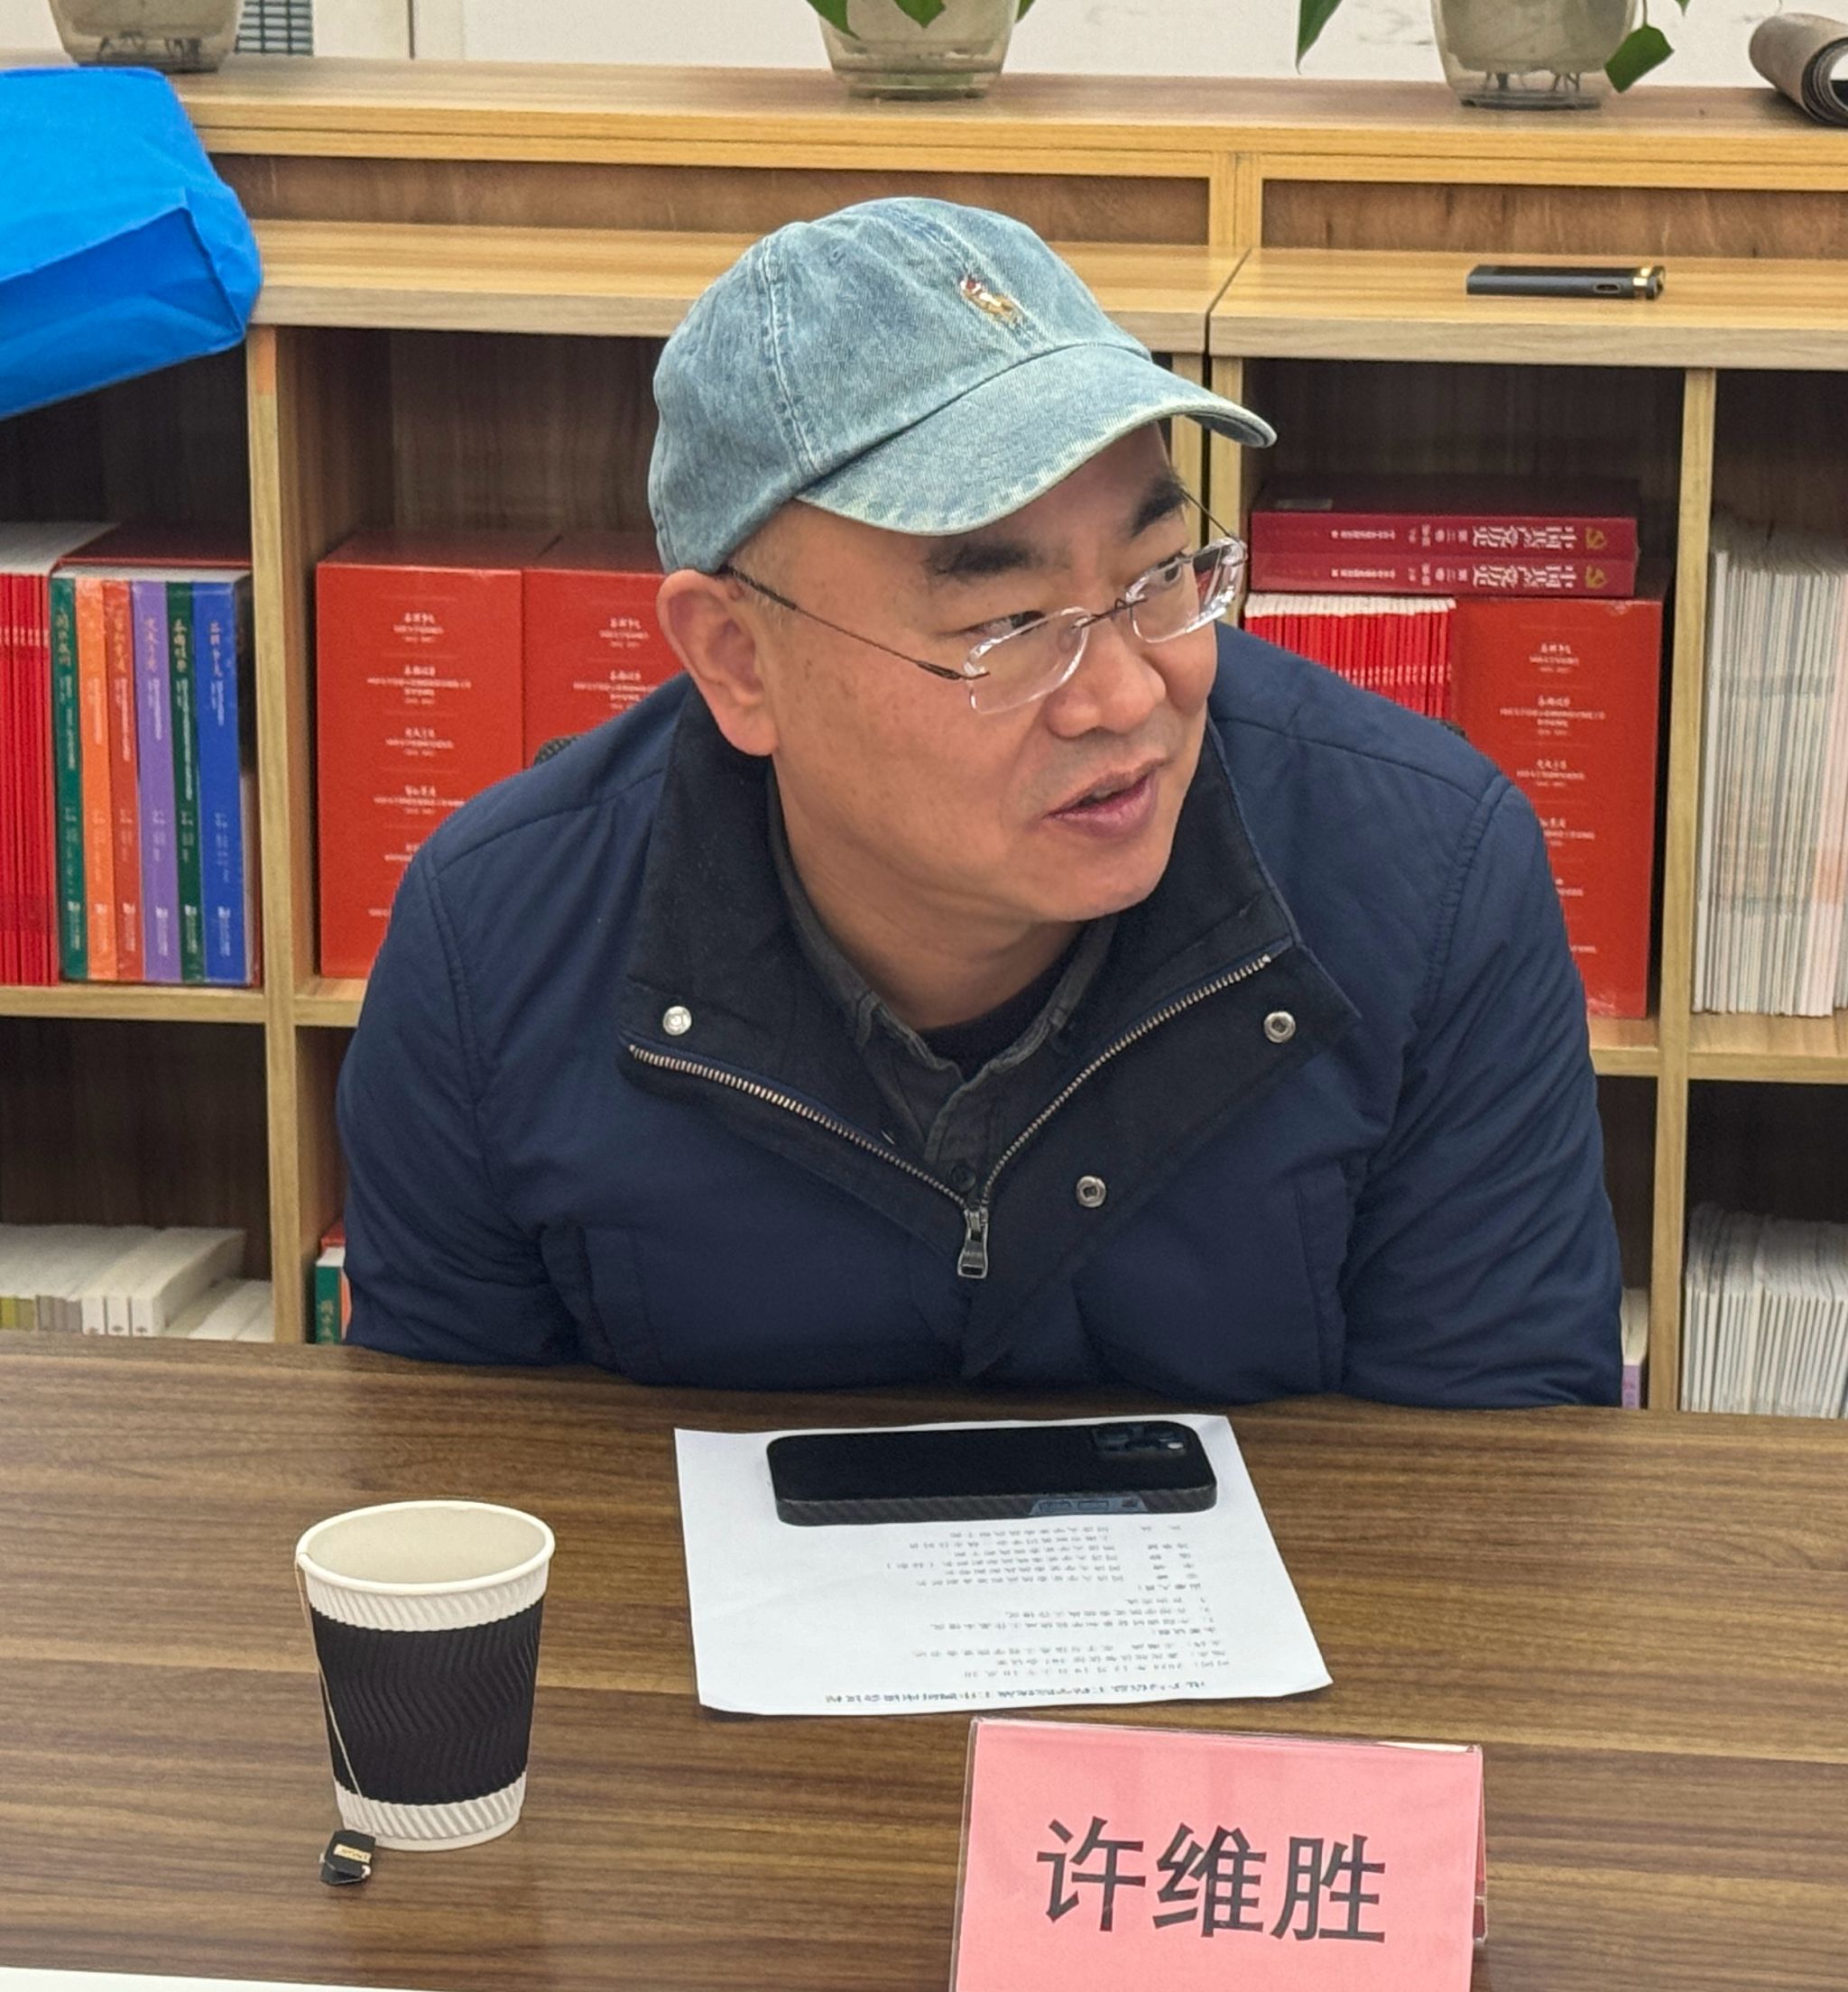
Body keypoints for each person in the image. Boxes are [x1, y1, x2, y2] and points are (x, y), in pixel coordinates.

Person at [337, 196, 1621, 1406]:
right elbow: (450, 1497)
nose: (1126, 695)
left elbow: (1493, 1477)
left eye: (1160, 576)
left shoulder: (1428, 875)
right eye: (1008, 625)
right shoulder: (495, 944)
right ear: (737, 660)